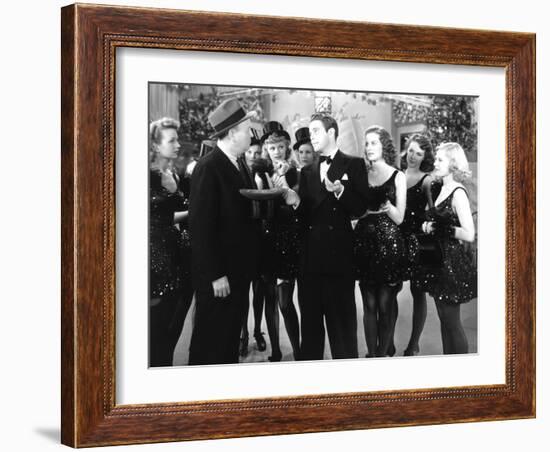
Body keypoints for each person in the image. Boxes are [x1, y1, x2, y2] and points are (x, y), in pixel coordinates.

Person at [278, 113, 367, 360]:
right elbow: (305, 217)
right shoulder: (306, 172)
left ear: (331, 133)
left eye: (316, 131)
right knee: (311, 333)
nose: (312, 136)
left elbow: (360, 208)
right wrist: (295, 203)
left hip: (339, 262)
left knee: (343, 334)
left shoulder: (354, 164)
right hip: (310, 263)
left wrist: (341, 192)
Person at [187, 98, 259, 365]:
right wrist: (216, 274)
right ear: (231, 133)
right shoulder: (209, 167)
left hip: (237, 272)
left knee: (227, 342)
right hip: (220, 277)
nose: (251, 134)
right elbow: (201, 226)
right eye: (247, 128)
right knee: (210, 343)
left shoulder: (237, 163)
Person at [354, 125, 407, 358]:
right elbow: (354, 214)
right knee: (369, 304)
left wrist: (387, 206)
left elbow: (400, 218)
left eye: (374, 142)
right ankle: (371, 354)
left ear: (384, 145)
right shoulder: (360, 174)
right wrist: (363, 210)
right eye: (367, 143)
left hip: (389, 244)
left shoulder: (398, 176)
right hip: (364, 242)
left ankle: (384, 355)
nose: (369, 147)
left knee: (385, 304)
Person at [421, 142, 477, 354]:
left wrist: (444, 229)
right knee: (444, 320)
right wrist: (428, 225)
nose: (435, 162)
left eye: (440, 159)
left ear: (453, 164)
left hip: (450, 262)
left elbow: (469, 233)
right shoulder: (440, 187)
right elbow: (434, 220)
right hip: (437, 259)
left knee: (452, 323)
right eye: (436, 158)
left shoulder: (458, 192)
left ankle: (463, 373)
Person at [148, 117, 192, 367]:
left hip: (177, 253)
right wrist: (194, 211)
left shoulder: (173, 173)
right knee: (157, 329)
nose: (177, 145)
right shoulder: (147, 176)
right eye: (171, 140)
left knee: (173, 326)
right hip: (156, 257)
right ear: (155, 146)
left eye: (177, 139)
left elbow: (173, 213)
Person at [258, 121, 302, 361]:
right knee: (269, 300)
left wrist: (283, 181)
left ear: (287, 148)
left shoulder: (295, 173)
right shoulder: (260, 172)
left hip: (286, 239)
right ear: (267, 149)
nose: (276, 152)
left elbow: (295, 206)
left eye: (280, 147)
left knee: (285, 302)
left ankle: (297, 350)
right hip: (265, 241)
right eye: (272, 148)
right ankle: (275, 350)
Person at [398, 133, 435, 356]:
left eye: (418, 153)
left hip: (418, 242)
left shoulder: (427, 180)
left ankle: (414, 343)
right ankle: (386, 341)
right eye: (410, 151)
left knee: (417, 292)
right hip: (396, 239)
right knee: (391, 289)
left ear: (424, 157)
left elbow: (434, 212)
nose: (413, 156)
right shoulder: (397, 175)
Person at [238, 132, 267, 356]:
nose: (254, 156)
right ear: (244, 153)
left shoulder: (265, 175)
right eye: (251, 152)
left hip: (261, 237)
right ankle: (243, 334)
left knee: (259, 291)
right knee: (242, 292)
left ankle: (257, 330)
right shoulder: (237, 174)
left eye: (258, 152)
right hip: (243, 238)